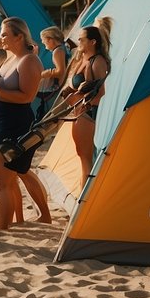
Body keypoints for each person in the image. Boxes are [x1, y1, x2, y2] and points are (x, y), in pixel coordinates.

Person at [0, 17, 52, 229]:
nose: (0, 39)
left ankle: (3, 227)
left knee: (2, 179)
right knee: (11, 177)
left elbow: (26, 97)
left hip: (15, 123)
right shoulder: (7, 59)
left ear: (19, 36)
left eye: (4, 34)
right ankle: (13, 220)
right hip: (0, 119)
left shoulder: (29, 61)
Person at [63, 24, 111, 189]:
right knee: (83, 157)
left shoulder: (97, 62)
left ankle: (85, 199)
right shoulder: (84, 60)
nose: (78, 41)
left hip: (88, 113)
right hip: (80, 113)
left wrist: (86, 102)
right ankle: (85, 196)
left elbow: (103, 92)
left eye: (82, 39)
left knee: (86, 159)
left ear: (92, 42)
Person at [36, 27, 69, 120]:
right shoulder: (62, 48)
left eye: (43, 39)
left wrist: (46, 73)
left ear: (50, 40)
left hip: (54, 88)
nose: (42, 42)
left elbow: (60, 71)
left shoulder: (57, 51)